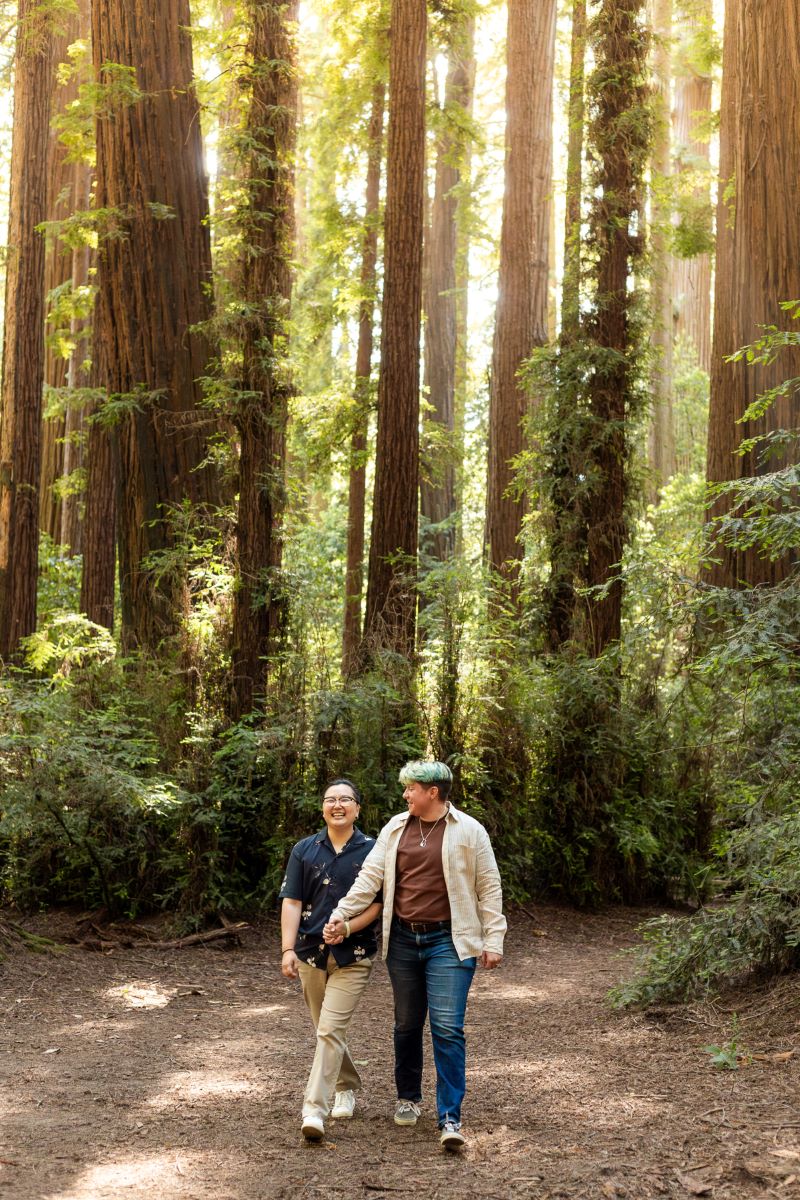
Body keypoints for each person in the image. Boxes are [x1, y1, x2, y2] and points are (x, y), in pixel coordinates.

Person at [324, 760, 506, 1151]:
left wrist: (494, 939)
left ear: (432, 793)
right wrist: (341, 912)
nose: (405, 795)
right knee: (407, 1024)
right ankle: (408, 1097)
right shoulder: (395, 827)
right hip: (403, 940)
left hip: (450, 942)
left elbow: (489, 887)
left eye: (411, 789)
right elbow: (369, 879)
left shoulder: (470, 831)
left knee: (447, 1027)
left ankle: (449, 1116)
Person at [279, 778, 382, 1143]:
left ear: (357, 807)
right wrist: (287, 949)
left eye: (345, 799)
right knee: (327, 1030)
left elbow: (378, 904)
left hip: (353, 955)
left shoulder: (374, 849)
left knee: (328, 1030)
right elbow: (291, 901)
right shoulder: (304, 850)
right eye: (330, 800)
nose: (337, 805)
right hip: (310, 954)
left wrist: (349, 926)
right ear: (323, 808)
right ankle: (348, 1084)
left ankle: (313, 1111)